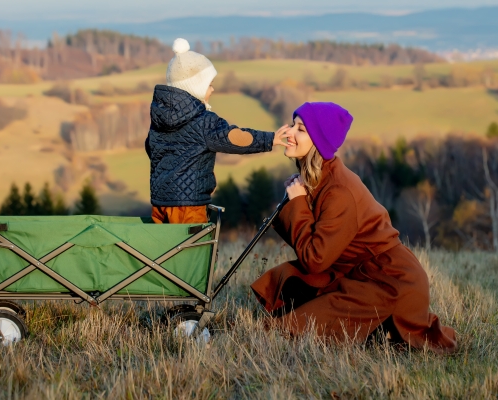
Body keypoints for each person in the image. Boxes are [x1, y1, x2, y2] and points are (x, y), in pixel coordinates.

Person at [251, 102, 458, 353]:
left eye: (301, 129)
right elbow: (314, 248)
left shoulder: (339, 191)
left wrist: (297, 204)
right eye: (293, 124)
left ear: (319, 141)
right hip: (356, 273)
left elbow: (314, 259)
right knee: (290, 277)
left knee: (289, 329)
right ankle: (370, 329)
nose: (290, 133)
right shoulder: (319, 178)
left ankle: (383, 328)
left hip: (389, 283)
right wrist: (299, 202)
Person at [145, 38, 288, 223]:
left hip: (159, 203)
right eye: (209, 84)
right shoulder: (203, 121)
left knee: (165, 250)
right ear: (195, 86)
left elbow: (151, 148)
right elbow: (233, 138)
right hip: (189, 205)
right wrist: (269, 139)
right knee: (191, 250)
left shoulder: (159, 119)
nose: (212, 89)